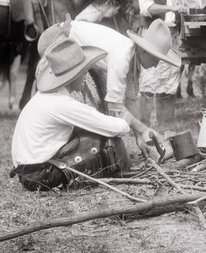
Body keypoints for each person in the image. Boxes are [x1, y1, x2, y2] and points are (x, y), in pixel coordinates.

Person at [11, 38, 165, 191]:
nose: (85, 76)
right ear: (73, 75)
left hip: (28, 173)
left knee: (89, 132)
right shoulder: (62, 103)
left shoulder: (44, 98)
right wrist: (120, 120)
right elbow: (119, 127)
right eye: (82, 71)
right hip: (42, 175)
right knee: (105, 137)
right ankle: (123, 170)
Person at [37, 15, 182, 127]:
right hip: (57, 39)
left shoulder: (132, 56)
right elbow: (114, 105)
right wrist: (140, 129)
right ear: (144, 51)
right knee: (71, 98)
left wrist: (141, 132)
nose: (155, 66)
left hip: (78, 49)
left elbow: (132, 97)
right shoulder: (122, 56)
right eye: (155, 60)